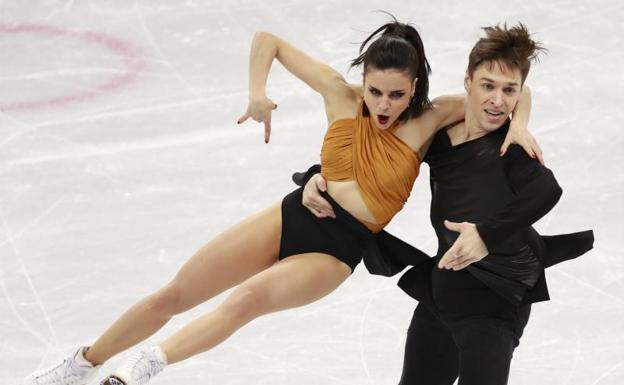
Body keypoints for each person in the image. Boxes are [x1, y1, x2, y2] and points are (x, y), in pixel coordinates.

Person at [22, 18, 538, 385]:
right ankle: (83, 362)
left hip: (337, 249)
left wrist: (520, 121)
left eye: (396, 95)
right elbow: (267, 39)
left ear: (415, 89)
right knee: (175, 293)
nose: (383, 105)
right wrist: (257, 93)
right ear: (364, 80)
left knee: (245, 301)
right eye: (376, 91)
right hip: (296, 213)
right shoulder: (339, 94)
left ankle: (147, 365)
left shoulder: (430, 119)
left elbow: (508, 90)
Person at [297, 24, 594, 385]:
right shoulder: (439, 137)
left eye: (508, 91)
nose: (497, 100)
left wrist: (485, 235)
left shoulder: (512, 148)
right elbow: (378, 160)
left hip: (496, 305)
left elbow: (546, 190)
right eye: (488, 86)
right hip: (444, 294)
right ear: (467, 81)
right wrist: (320, 175)